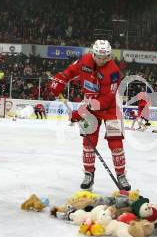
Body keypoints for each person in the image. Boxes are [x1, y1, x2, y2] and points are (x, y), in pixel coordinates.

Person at [49, 40, 131, 191]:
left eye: (104, 57)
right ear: (93, 53)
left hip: (111, 108)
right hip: (89, 103)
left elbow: (105, 101)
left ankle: (121, 175)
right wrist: (60, 79)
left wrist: (81, 112)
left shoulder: (113, 71)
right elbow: (70, 71)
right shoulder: (85, 59)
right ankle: (88, 174)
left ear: (109, 56)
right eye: (98, 56)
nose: (101, 60)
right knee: (88, 142)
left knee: (116, 143)